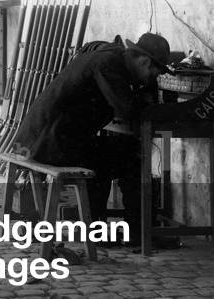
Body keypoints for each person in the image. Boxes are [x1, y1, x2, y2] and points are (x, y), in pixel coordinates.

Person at [12, 32, 171, 239]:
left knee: (112, 154)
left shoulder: (109, 55)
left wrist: (143, 88)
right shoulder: (109, 64)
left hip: (40, 139)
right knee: (127, 158)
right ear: (144, 61)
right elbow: (127, 110)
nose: (153, 78)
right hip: (46, 143)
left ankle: (109, 229)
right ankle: (135, 232)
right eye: (154, 73)